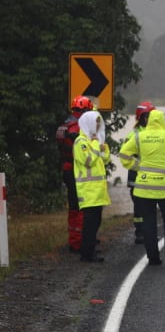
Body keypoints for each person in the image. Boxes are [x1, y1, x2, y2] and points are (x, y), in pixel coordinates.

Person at [118, 106, 165, 268]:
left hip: (143, 188)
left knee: (148, 223)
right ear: (162, 121)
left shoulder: (140, 137)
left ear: (148, 121)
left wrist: (137, 166)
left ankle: (153, 258)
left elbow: (124, 155)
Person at [56, 95, 94, 253]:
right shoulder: (79, 127)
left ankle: (74, 240)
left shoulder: (64, 125)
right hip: (77, 170)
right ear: (84, 109)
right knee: (81, 207)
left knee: (73, 207)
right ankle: (80, 242)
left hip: (66, 169)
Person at [72, 110, 110, 263]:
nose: (98, 126)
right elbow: (88, 161)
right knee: (89, 223)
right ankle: (86, 253)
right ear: (88, 123)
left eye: (99, 123)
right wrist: (95, 145)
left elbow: (104, 160)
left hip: (98, 190)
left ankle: (90, 249)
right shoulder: (80, 142)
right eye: (96, 123)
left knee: (96, 221)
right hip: (88, 190)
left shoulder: (94, 141)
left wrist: (104, 148)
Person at [127, 101, 156, 244]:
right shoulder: (134, 135)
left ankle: (148, 232)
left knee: (149, 205)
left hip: (149, 176)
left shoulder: (153, 133)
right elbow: (127, 156)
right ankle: (140, 233)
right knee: (139, 206)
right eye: (149, 116)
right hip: (136, 175)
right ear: (142, 117)